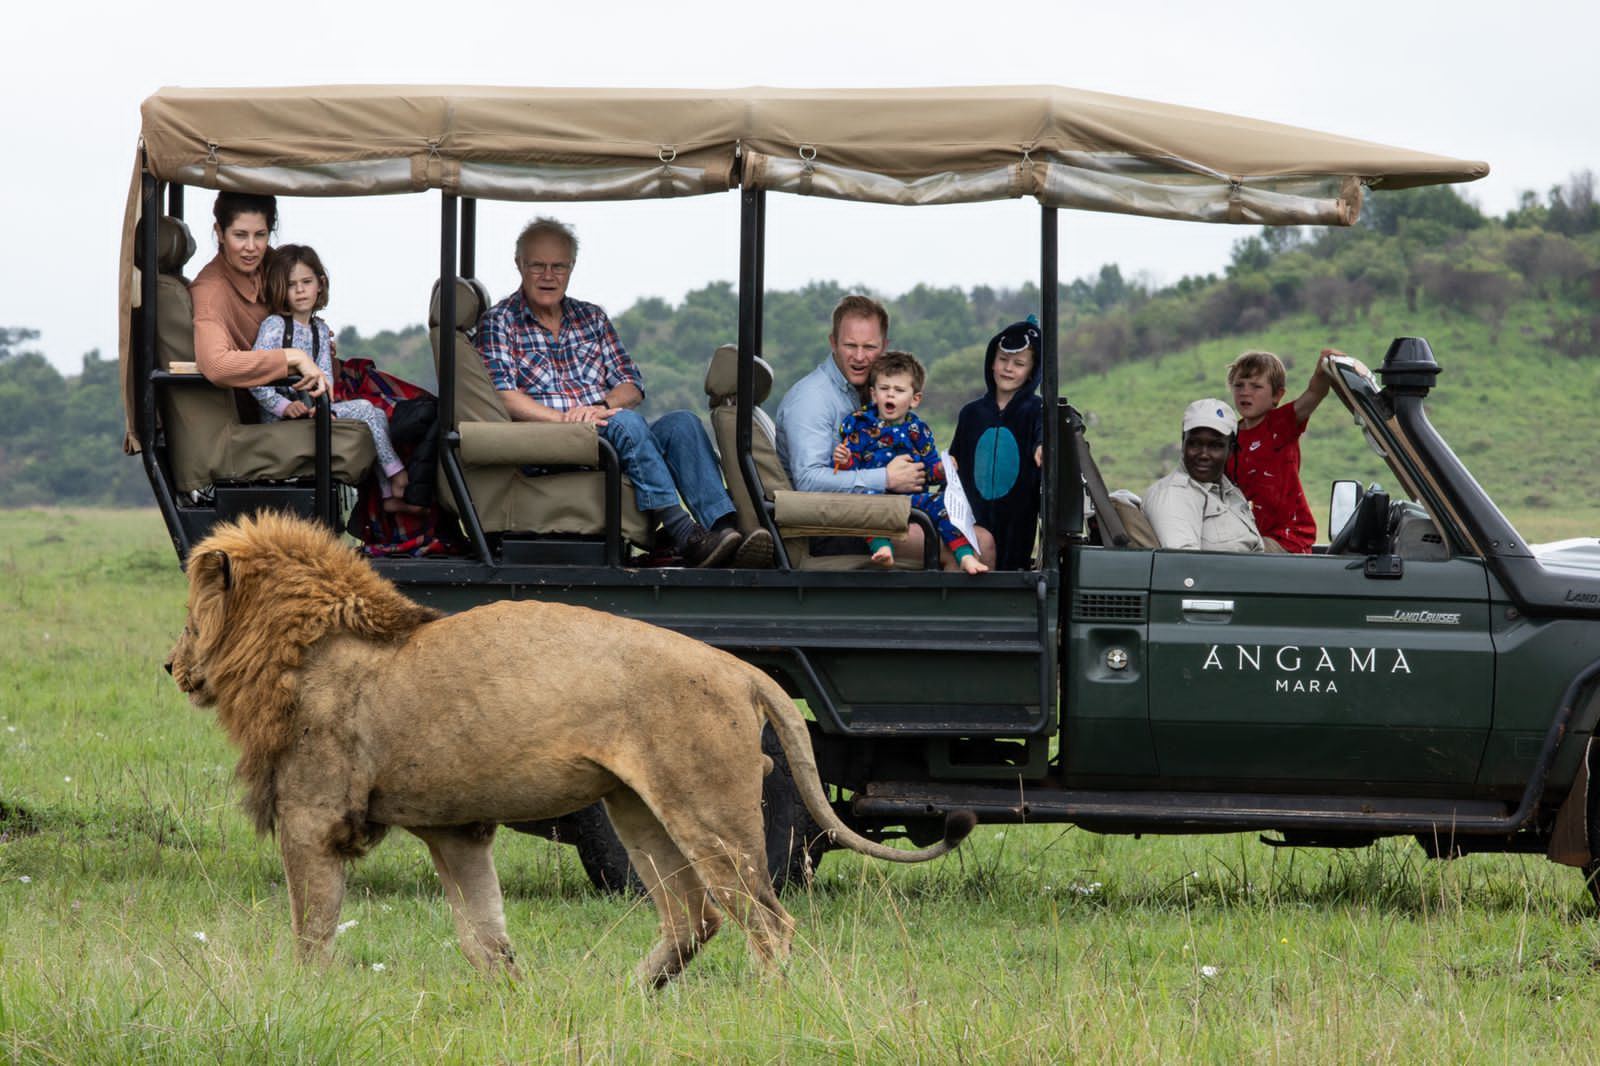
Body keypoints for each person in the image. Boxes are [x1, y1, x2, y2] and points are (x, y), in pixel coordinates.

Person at [476, 217, 756, 567]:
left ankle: (725, 532)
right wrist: (566, 420)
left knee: (682, 423)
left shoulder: (591, 318)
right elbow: (505, 395)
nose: (548, 275)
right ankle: (683, 532)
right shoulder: (500, 321)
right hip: (546, 440)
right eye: (538, 265)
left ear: (571, 267)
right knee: (626, 424)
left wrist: (597, 407)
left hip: (602, 427)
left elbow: (631, 384)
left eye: (558, 266)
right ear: (519, 265)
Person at [247, 245, 419, 514]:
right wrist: (283, 405)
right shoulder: (276, 326)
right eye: (292, 285)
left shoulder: (319, 330)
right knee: (364, 410)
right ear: (280, 288)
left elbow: (324, 376)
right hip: (282, 417)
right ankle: (397, 476)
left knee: (375, 413)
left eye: (306, 282)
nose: (300, 290)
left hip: (314, 409)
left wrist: (322, 404)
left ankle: (388, 494)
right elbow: (255, 377)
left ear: (320, 284)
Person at [775, 294, 930, 560]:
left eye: (870, 347)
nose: (860, 357)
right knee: (974, 544)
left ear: (885, 346)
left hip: (866, 511)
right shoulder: (812, 399)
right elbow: (808, 480)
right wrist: (887, 478)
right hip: (826, 528)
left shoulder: (870, 392)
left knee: (963, 527)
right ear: (833, 343)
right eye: (850, 345)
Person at [829, 351, 988, 574]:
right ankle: (882, 548)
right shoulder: (860, 425)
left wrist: (942, 469)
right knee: (864, 500)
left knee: (945, 503)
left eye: (899, 390)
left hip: (913, 500)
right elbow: (850, 469)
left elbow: (930, 471)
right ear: (874, 394)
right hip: (878, 496)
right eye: (884, 389)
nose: (890, 395)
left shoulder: (919, 431)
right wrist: (844, 460)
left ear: (915, 399)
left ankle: (965, 556)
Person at [188, 192, 326, 398]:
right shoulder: (210, 292)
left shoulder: (272, 263)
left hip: (300, 390)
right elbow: (215, 365)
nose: (251, 247)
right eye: (240, 235)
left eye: (260, 235)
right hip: (265, 404)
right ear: (219, 232)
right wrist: (291, 358)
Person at [949, 317, 1044, 570]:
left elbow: (1043, 436)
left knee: (1012, 567)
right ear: (992, 362)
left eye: (1019, 363)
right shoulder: (970, 413)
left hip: (1018, 518)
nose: (1008, 368)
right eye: (1003, 359)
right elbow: (955, 462)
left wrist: (1043, 446)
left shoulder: (1037, 410)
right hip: (972, 517)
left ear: (1032, 371)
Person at [1225, 348, 1339, 553]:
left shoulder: (1280, 425)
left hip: (1286, 538)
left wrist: (1323, 371)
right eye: (1239, 385)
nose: (1245, 392)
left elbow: (1314, 393)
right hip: (1247, 535)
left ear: (1277, 395)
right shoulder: (1228, 437)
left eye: (1256, 386)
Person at [1143, 399, 1265, 553]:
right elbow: (1184, 566)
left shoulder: (1229, 490)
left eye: (1215, 446)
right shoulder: (1175, 494)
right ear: (1183, 443)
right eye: (1194, 443)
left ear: (1231, 449)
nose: (1203, 454)